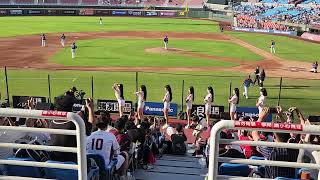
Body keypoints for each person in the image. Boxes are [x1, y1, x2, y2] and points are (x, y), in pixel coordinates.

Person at [50, 96, 94, 163]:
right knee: (94, 162)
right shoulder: (75, 122)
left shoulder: (52, 123)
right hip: (74, 164)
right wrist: (91, 109)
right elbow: (91, 128)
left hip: (54, 163)